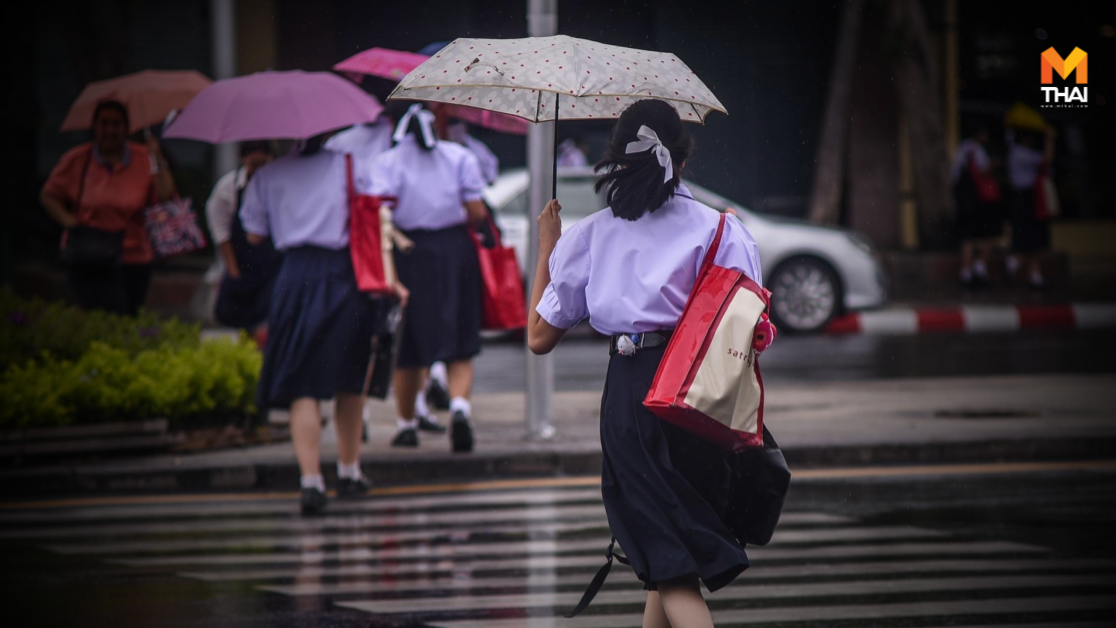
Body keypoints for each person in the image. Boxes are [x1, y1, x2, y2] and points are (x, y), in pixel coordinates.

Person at [527, 100, 763, 628]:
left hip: (634, 394)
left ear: (616, 160)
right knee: (669, 554)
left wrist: (547, 247)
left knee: (672, 568)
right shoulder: (723, 230)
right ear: (682, 158)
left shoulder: (593, 234)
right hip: (704, 394)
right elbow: (749, 322)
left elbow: (539, 336)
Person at [240, 133, 401, 515]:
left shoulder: (267, 175)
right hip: (344, 276)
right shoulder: (349, 164)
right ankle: (349, 472)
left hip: (294, 277)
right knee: (350, 378)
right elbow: (377, 211)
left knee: (302, 386)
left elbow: (253, 234)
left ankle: (311, 482)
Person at [370, 104, 488, 452]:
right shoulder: (460, 156)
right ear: (437, 121)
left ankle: (407, 425)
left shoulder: (386, 162)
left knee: (407, 345)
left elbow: (381, 215)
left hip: (407, 253)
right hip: (454, 250)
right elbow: (477, 211)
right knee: (460, 339)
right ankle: (459, 408)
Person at [40, 100, 176, 315]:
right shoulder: (78, 159)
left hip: (133, 254)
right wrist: (71, 222)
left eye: (117, 124)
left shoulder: (143, 157)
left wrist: (157, 157)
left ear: (126, 127)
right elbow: (49, 195)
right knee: (96, 315)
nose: (110, 130)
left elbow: (165, 196)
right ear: (94, 126)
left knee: (128, 315)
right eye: (104, 123)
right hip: (88, 252)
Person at [206, 141, 280, 329]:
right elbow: (221, 234)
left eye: (263, 165)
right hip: (241, 266)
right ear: (243, 160)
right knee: (239, 321)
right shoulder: (228, 188)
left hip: (272, 267)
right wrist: (234, 273)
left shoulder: (279, 186)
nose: (258, 172)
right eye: (254, 165)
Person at [1007, 126, 1057, 289]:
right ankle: (1014, 264)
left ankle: (1035, 275)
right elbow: (1047, 159)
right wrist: (1049, 138)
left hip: (1028, 199)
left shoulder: (1016, 152)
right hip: (1026, 199)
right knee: (1028, 237)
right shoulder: (1021, 153)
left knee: (1035, 239)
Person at [951, 127, 1001, 287]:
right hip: (979, 200)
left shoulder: (962, 148)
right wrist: (993, 165)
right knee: (989, 234)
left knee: (967, 237)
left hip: (964, 200)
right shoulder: (977, 150)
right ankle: (979, 266)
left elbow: (953, 175)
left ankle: (966, 271)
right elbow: (982, 173)